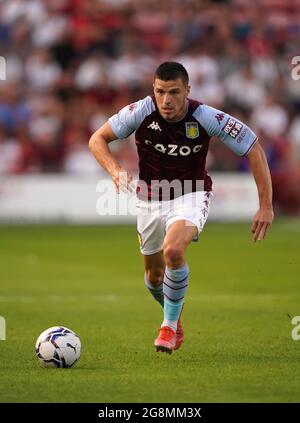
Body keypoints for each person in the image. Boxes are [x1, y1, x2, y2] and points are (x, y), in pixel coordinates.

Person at [89, 62, 274, 354]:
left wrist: (265, 205)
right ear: (154, 89)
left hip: (192, 194)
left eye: (174, 92)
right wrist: (114, 169)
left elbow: (253, 147)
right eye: (160, 91)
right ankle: (174, 317)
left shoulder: (205, 116)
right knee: (153, 277)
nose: (166, 100)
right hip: (150, 198)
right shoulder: (140, 111)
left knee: (173, 250)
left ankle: (168, 326)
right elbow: (97, 139)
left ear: (187, 90)